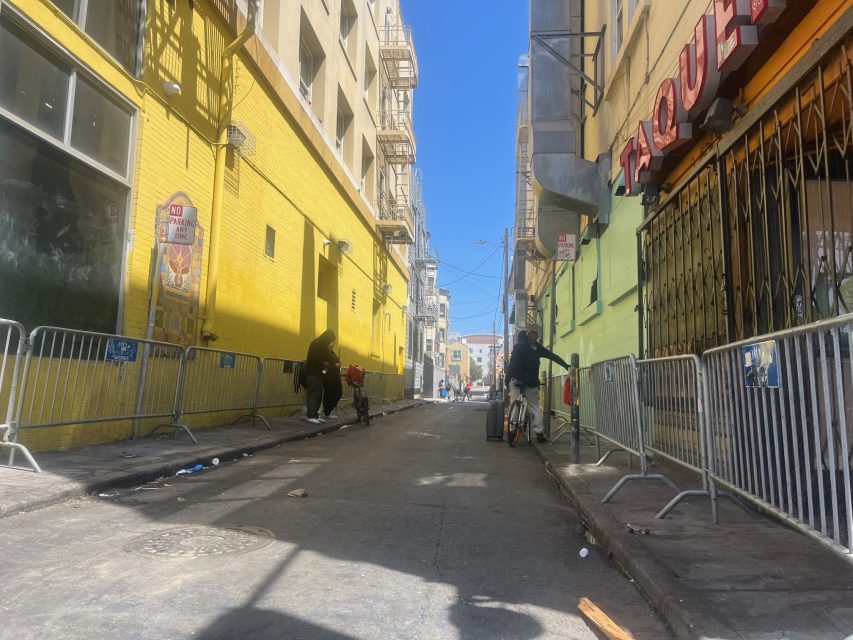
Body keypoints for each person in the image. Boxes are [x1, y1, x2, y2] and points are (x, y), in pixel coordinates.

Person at [504, 329, 570, 443]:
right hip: (531, 381)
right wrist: (566, 366)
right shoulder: (538, 348)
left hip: (516, 380)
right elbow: (552, 356)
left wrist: (507, 381)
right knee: (534, 407)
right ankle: (539, 434)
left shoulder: (518, 348)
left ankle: (512, 430)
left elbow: (512, 367)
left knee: (515, 403)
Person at [304, 330, 338, 424]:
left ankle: (315, 415)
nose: (332, 343)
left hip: (319, 373)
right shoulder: (317, 344)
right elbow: (313, 357)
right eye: (332, 340)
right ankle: (310, 415)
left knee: (318, 394)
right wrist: (323, 363)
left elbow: (327, 357)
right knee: (314, 394)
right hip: (313, 372)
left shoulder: (323, 346)